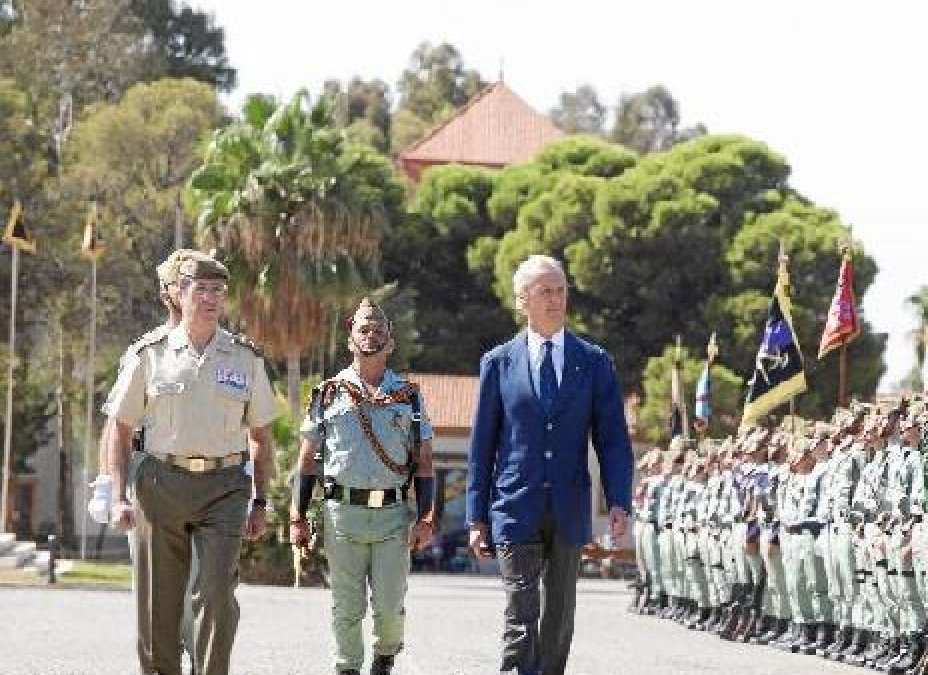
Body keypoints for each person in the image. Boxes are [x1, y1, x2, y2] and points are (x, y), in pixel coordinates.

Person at [104, 251, 278, 675]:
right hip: (160, 484)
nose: (210, 298)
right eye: (200, 289)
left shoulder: (244, 357)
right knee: (158, 602)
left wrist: (260, 503)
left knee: (218, 594)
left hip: (224, 487)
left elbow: (261, 437)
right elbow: (120, 430)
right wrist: (117, 496)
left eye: (218, 290)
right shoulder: (149, 354)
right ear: (178, 295)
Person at [465, 254, 634, 675]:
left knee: (558, 616)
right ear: (523, 301)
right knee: (521, 612)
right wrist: (475, 516)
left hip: (569, 506)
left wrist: (618, 501)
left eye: (561, 291)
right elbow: (482, 445)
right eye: (546, 291)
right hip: (513, 504)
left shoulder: (595, 362)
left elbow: (612, 439)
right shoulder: (498, 363)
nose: (556, 299)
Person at [289, 297, 437, 675]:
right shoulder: (328, 393)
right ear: (350, 340)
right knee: (345, 603)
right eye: (363, 330)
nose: (371, 336)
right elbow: (307, 459)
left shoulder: (409, 396)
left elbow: (424, 463)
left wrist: (425, 519)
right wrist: (297, 517)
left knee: (389, 605)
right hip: (342, 513)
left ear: (391, 343)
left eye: (379, 331)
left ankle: (385, 654)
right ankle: (347, 667)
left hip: (391, 515)